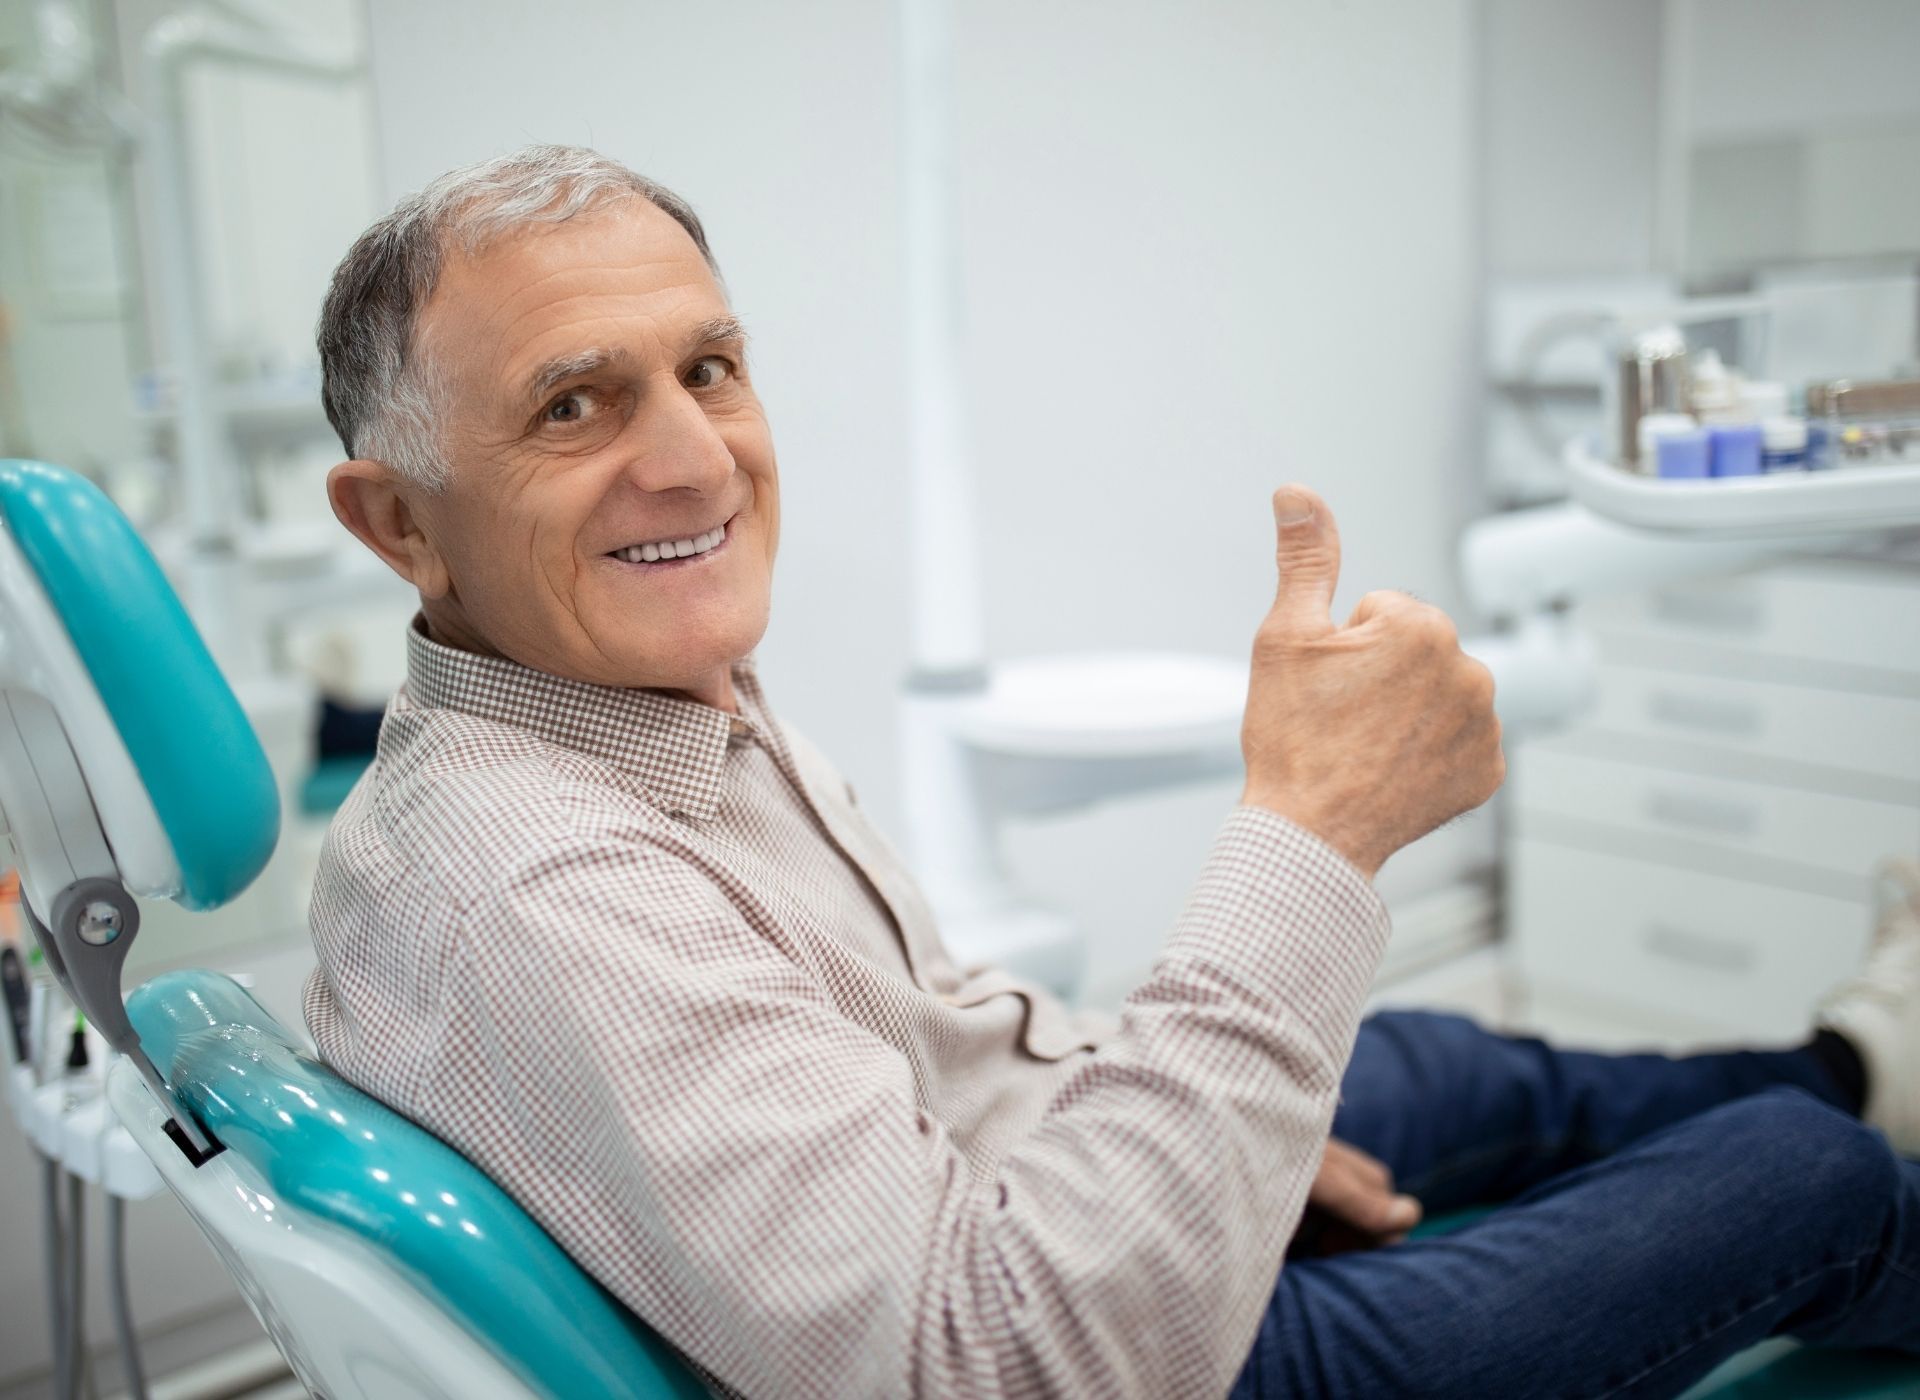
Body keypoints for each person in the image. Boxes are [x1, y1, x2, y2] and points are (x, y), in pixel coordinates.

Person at [304, 144, 1920, 1398]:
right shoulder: (545, 883)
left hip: (1018, 1221)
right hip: (1100, 1358)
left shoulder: (623, 699)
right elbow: (1007, 1368)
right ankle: (1852, 1143)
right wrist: (1313, 828)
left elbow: (940, 1076)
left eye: (708, 368)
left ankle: (1859, 1056)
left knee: (1435, 1063)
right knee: (1796, 1183)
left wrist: (1181, 1145)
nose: (692, 457)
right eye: (573, 405)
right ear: (398, 522)